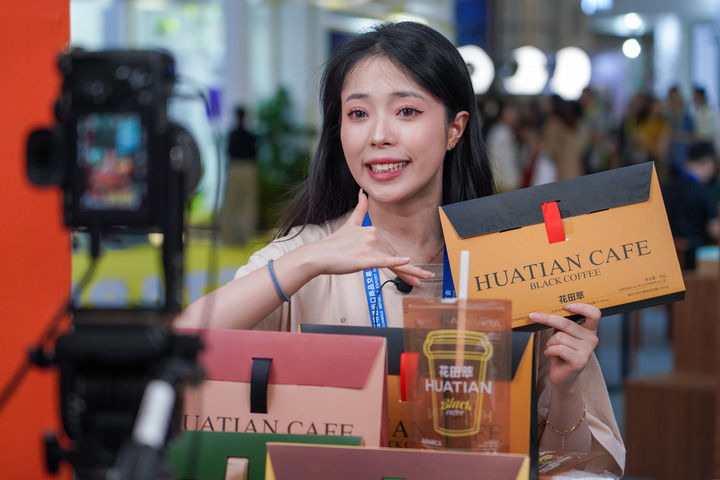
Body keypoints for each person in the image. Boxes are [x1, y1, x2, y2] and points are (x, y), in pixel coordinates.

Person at [175, 22, 624, 475]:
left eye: (406, 111)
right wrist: (308, 260)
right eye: (358, 114)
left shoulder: (513, 267)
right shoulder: (304, 258)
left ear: (455, 128)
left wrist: (566, 389)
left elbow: (572, 466)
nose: (379, 135)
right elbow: (181, 345)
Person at [662, 141, 720, 269]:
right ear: (706, 162)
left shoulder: (665, 187)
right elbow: (714, 230)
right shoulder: (704, 192)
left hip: (667, 258)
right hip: (694, 261)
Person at [222, 106, 260, 244]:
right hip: (247, 168)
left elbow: (229, 152)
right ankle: (240, 238)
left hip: (238, 168)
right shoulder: (249, 136)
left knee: (234, 203)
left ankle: (232, 238)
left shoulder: (236, 135)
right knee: (245, 204)